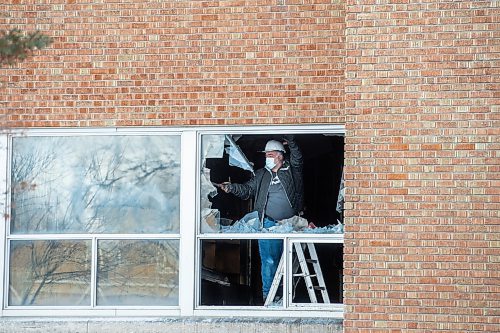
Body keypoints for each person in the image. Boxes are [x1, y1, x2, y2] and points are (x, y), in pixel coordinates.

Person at [220, 135, 304, 302]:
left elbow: (298, 158)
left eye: (270, 155)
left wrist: (292, 140)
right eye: (266, 155)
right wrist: (231, 188)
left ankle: (286, 298)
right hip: (268, 223)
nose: (267, 158)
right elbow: (247, 190)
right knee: (269, 261)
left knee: (288, 262)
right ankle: (269, 297)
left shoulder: (293, 171)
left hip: (291, 224)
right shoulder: (260, 175)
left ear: (280, 155)